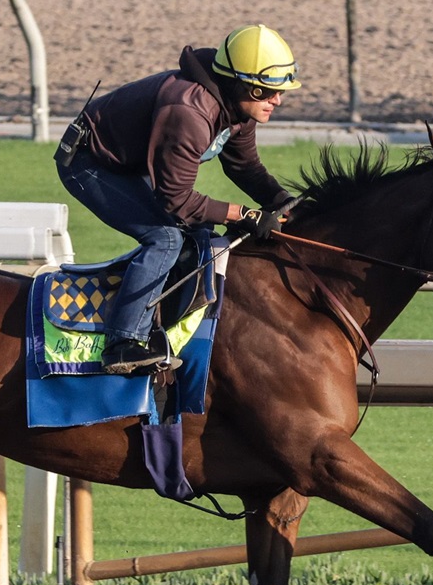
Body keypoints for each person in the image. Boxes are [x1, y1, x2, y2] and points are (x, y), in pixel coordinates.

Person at [55, 24, 301, 375]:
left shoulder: (237, 109)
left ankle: (167, 327)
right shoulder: (189, 111)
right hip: (89, 163)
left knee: (199, 236)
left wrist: (283, 202)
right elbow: (175, 199)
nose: (276, 100)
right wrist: (243, 214)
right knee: (166, 238)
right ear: (239, 84)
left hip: (130, 161)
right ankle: (122, 343)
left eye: (279, 92)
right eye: (266, 92)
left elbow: (244, 167)